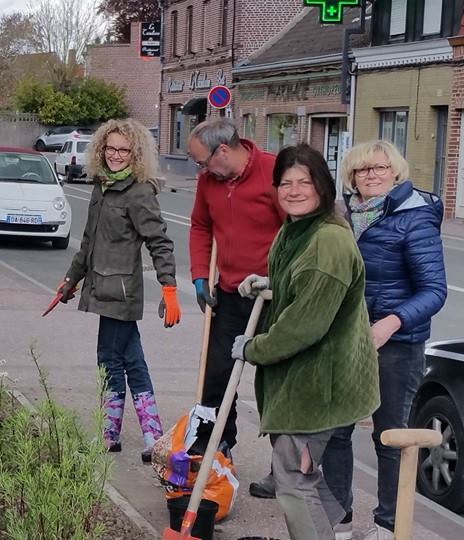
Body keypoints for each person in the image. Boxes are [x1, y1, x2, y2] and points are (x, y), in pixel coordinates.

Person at [232, 144, 380, 540]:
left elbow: (305, 324)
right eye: (285, 183)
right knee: (303, 475)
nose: (294, 190)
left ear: (323, 186)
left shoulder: (328, 241)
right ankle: (331, 526)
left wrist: (253, 348)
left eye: (305, 182)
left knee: (294, 481)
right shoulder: (297, 227)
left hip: (321, 384)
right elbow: (302, 285)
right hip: (309, 378)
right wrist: (269, 283)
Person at [321, 140, 447, 540]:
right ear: (351, 177)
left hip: (397, 342)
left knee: (389, 434)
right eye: (362, 170)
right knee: (336, 431)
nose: (371, 175)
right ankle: (338, 519)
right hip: (345, 339)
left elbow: (434, 290)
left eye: (379, 168)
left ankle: (387, 525)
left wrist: (391, 322)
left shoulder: (415, 217)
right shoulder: (340, 217)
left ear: (396, 173)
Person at [57, 118, 181, 463]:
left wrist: (168, 287)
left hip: (121, 291)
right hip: (100, 285)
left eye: (123, 150)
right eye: (110, 148)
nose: (115, 155)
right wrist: (70, 279)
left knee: (111, 361)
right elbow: (88, 242)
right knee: (130, 360)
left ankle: (113, 435)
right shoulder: (102, 186)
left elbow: (160, 242)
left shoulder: (138, 192)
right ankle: (151, 436)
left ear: (135, 154)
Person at [186, 118, 285, 485]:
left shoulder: (275, 172)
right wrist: (199, 275)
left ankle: (285, 467)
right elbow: (200, 226)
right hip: (229, 294)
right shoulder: (208, 183)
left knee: (275, 383)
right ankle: (216, 450)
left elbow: (294, 230)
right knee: (216, 377)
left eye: (202, 161)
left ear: (224, 151)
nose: (200, 169)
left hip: (271, 297)